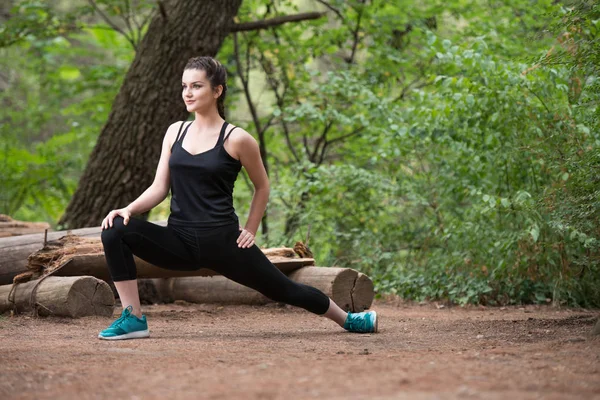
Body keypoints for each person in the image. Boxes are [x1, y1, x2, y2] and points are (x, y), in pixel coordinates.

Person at [98, 56, 378, 340]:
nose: (188, 93)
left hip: (223, 243)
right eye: (184, 86)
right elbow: (159, 187)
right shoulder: (175, 132)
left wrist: (251, 229)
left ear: (217, 90)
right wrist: (128, 209)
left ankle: (350, 320)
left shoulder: (237, 139)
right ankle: (133, 318)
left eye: (196, 86)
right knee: (115, 229)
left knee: (283, 289)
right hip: (179, 241)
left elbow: (262, 186)